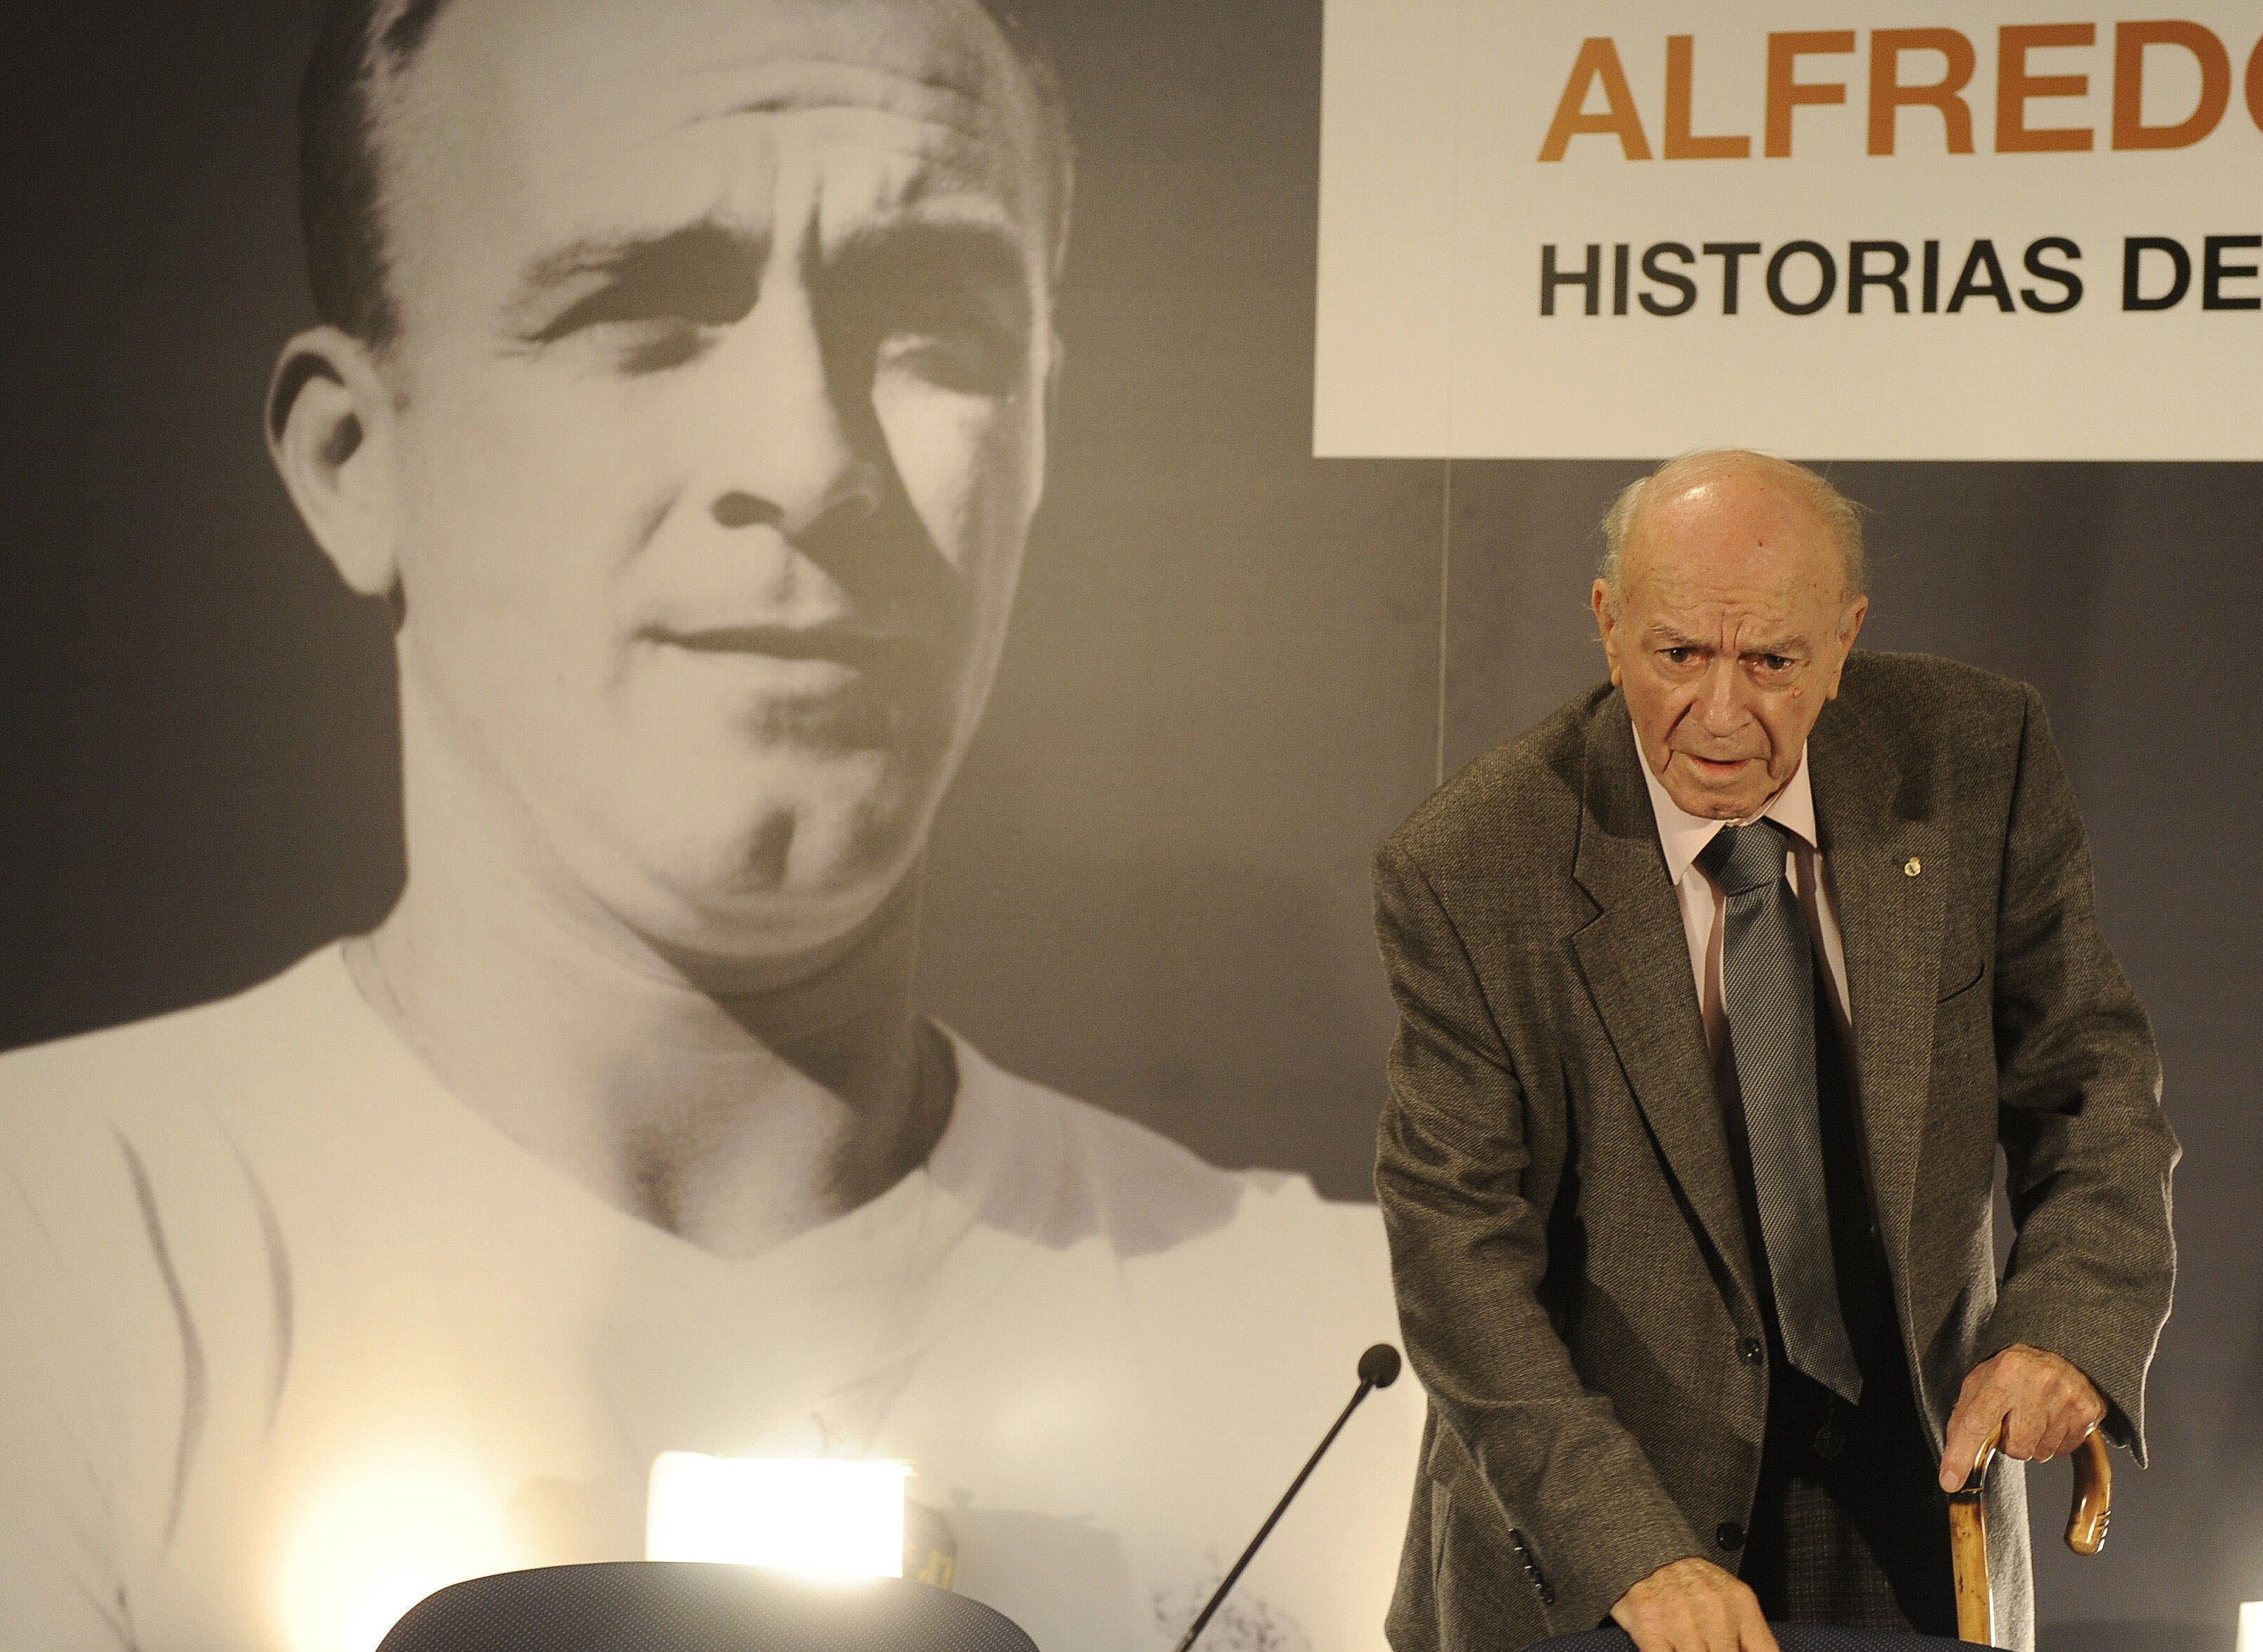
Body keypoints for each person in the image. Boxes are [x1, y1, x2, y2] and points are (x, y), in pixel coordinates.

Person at [0, 1, 1417, 1648]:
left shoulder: (1352, 1360)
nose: (808, 464)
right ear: (350, 459)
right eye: (639, 312)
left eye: (933, 327)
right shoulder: (51, 1249)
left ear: (1041, 437)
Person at [1370, 451, 2177, 1652]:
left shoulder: (1974, 759)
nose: (1720, 712)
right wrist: (1634, 1551)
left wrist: (2064, 1328)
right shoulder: (1475, 863)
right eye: (1678, 652)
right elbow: (1457, 1258)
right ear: (1608, 624)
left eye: (1772, 662)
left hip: (1915, 1495)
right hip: (1609, 1533)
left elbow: (2094, 1087)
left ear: (1845, 640)